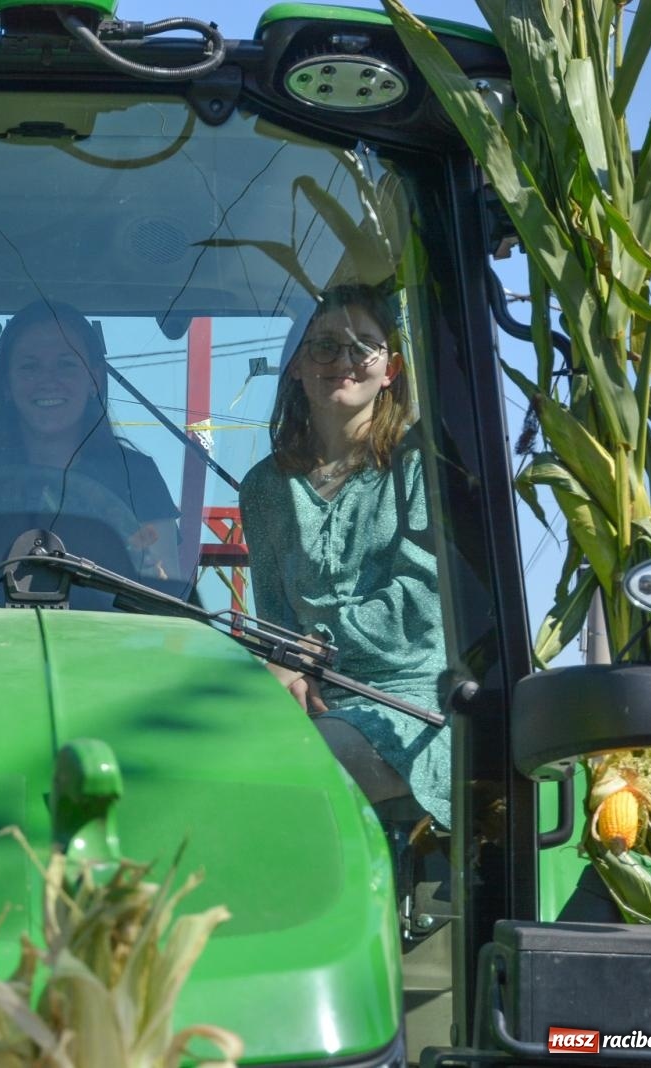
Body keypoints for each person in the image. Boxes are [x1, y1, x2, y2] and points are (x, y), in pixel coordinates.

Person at [238, 283, 451, 826]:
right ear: (295, 365)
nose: (345, 362)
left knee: (284, 769)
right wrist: (292, 667)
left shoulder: (417, 465)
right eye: (325, 346)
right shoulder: (264, 487)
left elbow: (424, 601)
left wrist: (317, 647)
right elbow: (276, 619)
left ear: (392, 368)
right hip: (316, 698)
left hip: (408, 701)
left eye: (364, 346)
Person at [0, 300, 181, 584]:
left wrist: (151, 574)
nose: (48, 381)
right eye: (30, 367)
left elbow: (167, 592)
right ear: (6, 384)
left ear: (95, 380)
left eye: (65, 365)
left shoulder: (137, 476)